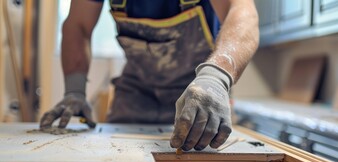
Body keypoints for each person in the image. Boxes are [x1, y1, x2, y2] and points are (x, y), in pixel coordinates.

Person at [40, 0, 259, 151]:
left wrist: (215, 78)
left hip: (201, 96)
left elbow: (242, 11)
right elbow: (78, 26)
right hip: (136, 93)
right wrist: (75, 90)